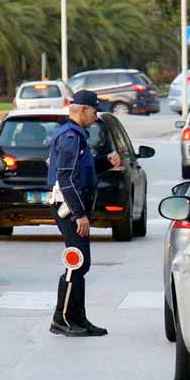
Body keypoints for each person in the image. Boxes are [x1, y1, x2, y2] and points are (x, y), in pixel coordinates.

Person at [46, 91, 121, 337]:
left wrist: (105, 162)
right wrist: (79, 215)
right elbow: (66, 178)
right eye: (94, 110)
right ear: (82, 110)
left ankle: (78, 317)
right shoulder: (70, 137)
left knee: (81, 263)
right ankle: (63, 319)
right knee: (75, 263)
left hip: (73, 207)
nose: (96, 116)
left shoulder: (76, 136)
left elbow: (83, 171)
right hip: (68, 208)